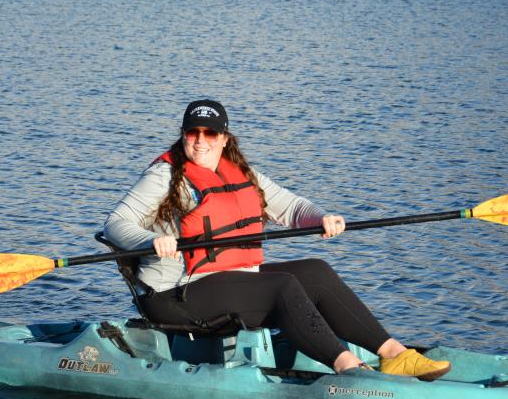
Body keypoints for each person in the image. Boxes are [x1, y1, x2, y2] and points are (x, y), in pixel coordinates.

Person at [104, 99, 451, 380]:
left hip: (227, 280)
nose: (200, 140)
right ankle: (348, 369)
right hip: (175, 293)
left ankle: (394, 355)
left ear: (225, 139)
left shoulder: (240, 172)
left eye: (210, 134)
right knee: (281, 286)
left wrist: (320, 218)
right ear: (183, 135)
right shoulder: (165, 175)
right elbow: (116, 224)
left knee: (315, 271)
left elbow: (291, 206)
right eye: (193, 132)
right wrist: (148, 241)